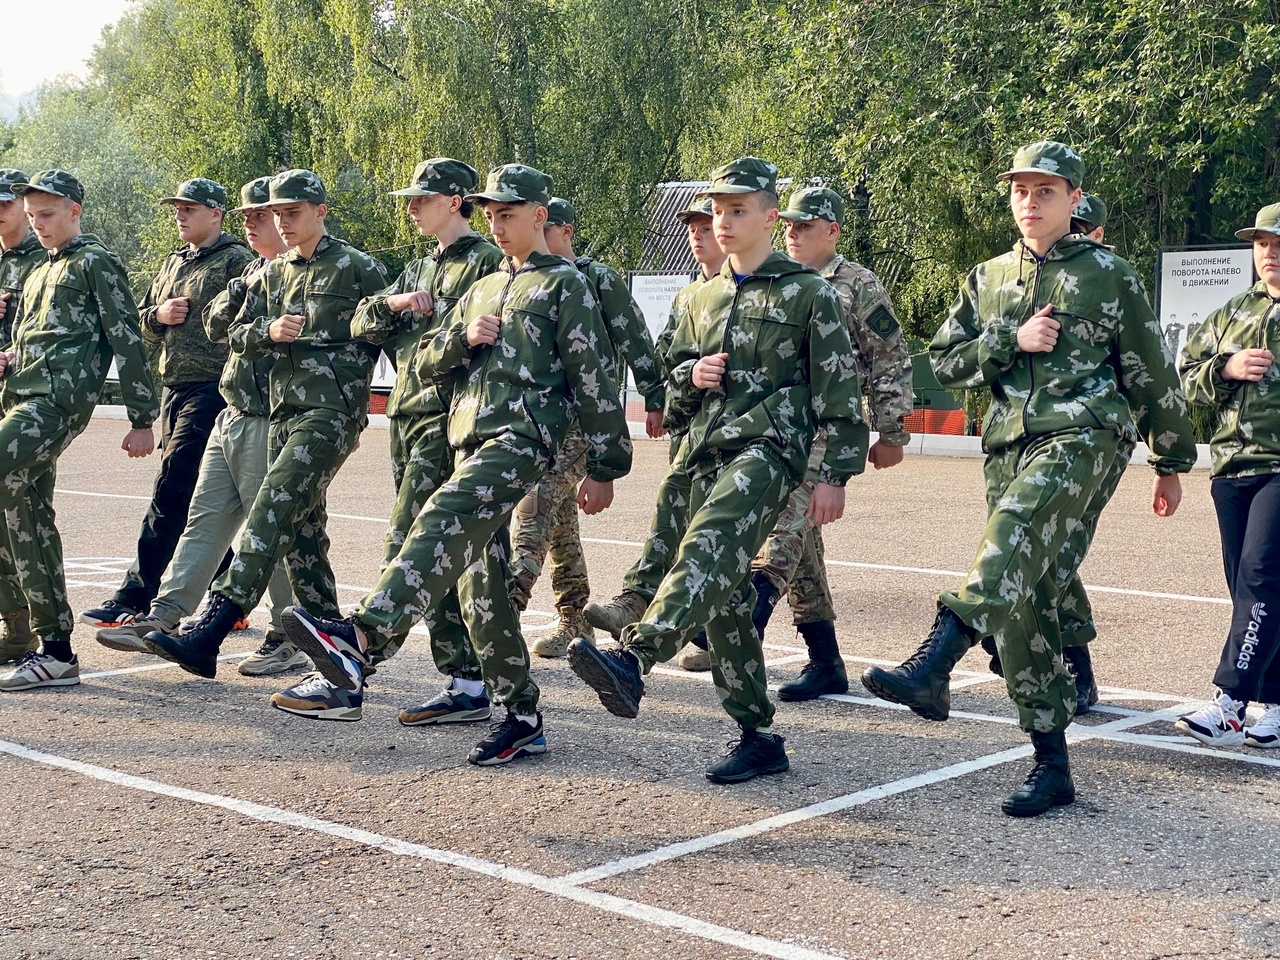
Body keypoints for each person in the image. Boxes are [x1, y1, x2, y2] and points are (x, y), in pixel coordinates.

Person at [860, 141, 1198, 816]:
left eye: (1045, 191)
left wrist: (1171, 459)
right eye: (1020, 190)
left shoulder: (1109, 274)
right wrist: (1008, 341)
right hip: (1009, 447)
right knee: (1021, 599)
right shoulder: (988, 279)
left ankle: (936, 659)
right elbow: (947, 364)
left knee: (1010, 540)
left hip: (1084, 438)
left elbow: (1152, 370)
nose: (1030, 202)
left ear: (1074, 200)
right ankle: (1052, 764)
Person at [276, 163, 631, 763]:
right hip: (468, 436)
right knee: (481, 586)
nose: (497, 225)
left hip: (521, 441)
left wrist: (606, 463)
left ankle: (360, 636)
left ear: (540, 217)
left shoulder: (564, 285)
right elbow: (428, 360)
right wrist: (464, 337)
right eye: (491, 214)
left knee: (439, 517)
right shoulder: (487, 286)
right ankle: (522, 713)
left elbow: (593, 377)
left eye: (509, 214)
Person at [567, 158, 868, 784]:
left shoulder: (809, 294)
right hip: (702, 450)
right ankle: (757, 735)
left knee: (707, 546)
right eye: (719, 209)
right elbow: (669, 389)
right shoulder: (699, 298)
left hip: (769, 451)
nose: (725, 222)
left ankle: (635, 657)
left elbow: (840, 391)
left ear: (769, 216)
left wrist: (833, 474)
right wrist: (689, 377)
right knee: (728, 602)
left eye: (739, 210)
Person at [273, 158, 505, 722]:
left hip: (447, 418)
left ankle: (353, 667)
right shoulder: (419, 267)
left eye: (420, 199)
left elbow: (489, 341)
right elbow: (361, 320)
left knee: (407, 541)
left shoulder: (487, 263)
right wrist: (398, 303)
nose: (409, 208)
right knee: (440, 553)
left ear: (454, 201)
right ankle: (467, 683)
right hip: (406, 413)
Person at [143, 169, 388, 686]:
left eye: (291, 213)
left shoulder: (355, 266)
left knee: (272, 506)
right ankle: (336, 651)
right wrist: (265, 331)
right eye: (276, 214)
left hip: (329, 414)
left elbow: (389, 331)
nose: (282, 222)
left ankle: (210, 628)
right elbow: (222, 328)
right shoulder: (271, 273)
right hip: (281, 412)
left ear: (320, 211)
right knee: (302, 536)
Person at [94, 176, 305, 676]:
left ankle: (289, 632)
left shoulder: (301, 275)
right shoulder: (246, 277)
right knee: (204, 519)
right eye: (252, 215)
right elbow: (208, 330)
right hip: (230, 409)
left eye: (265, 215)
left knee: (266, 527)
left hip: (268, 415)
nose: (255, 223)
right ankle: (164, 618)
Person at [0, 170, 158, 691]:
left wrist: (141, 417)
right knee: (27, 520)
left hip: (53, 405)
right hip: (21, 397)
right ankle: (56, 651)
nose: (38, 224)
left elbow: (126, 337)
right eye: (32, 216)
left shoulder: (95, 261)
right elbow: (35, 340)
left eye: (47, 215)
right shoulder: (40, 269)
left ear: (74, 211)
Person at [753, 185, 913, 701]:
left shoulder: (857, 284)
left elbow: (889, 356)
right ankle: (825, 662)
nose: (793, 234)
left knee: (780, 536)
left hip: (828, 431)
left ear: (832, 230)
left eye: (804, 226)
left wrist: (891, 432)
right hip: (780, 430)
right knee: (803, 551)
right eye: (789, 226)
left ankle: (739, 633)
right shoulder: (780, 279)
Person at [80, 180, 253, 631]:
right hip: (174, 388)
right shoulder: (173, 261)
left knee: (171, 490)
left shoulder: (238, 260)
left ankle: (135, 597)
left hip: (213, 389)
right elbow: (140, 321)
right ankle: (227, 595)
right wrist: (158, 316)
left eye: (189, 208)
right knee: (195, 496)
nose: (179, 215)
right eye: (176, 208)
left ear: (216, 213)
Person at [508, 196, 665, 656]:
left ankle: (504, 607)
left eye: (548, 231)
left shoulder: (597, 280)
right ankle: (573, 621)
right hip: (537, 421)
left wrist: (654, 398)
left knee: (536, 504)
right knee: (559, 521)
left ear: (565, 231)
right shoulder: (522, 280)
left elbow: (635, 338)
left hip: (583, 420)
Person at [583, 196, 727, 672]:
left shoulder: (760, 292)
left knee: (771, 553)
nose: (698, 235)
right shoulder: (689, 296)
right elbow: (667, 360)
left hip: (748, 441)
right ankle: (639, 599)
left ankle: (715, 634)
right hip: (694, 431)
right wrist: (670, 394)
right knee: (676, 513)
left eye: (706, 226)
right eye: (692, 227)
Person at [1175, 201, 1280, 749]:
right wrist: (1226, 367)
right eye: (1263, 244)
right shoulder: (1231, 313)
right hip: (1231, 467)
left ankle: (1231, 702)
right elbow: (1184, 379)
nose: (1270, 254)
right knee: (1251, 588)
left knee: (1261, 578)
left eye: (1279, 244)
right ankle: (1277, 702)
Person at [0, 169, 50, 663]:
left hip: (28, 399)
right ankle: (15, 624)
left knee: (22, 512)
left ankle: (33, 627)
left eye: (6, 203)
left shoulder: (44, 260)